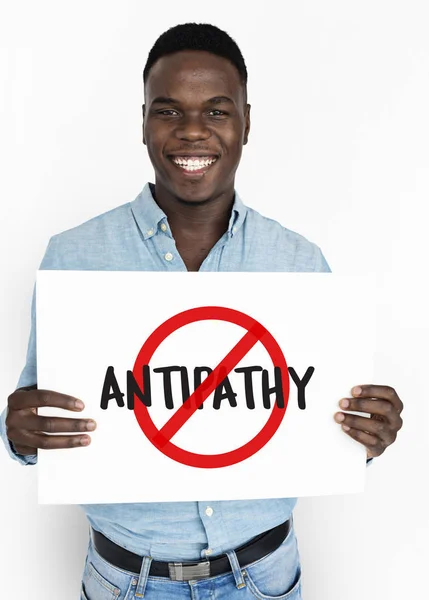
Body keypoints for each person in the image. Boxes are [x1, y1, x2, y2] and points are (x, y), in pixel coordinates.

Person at [0, 22, 403, 600]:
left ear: (245, 123)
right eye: (169, 112)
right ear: (143, 123)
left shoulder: (298, 263)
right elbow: (34, 419)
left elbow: (316, 425)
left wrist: (363, 435)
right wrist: (19, 433)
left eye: (216, 112)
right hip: (124, 583)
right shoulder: (73, 256)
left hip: (264, 577)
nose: (192, 131)